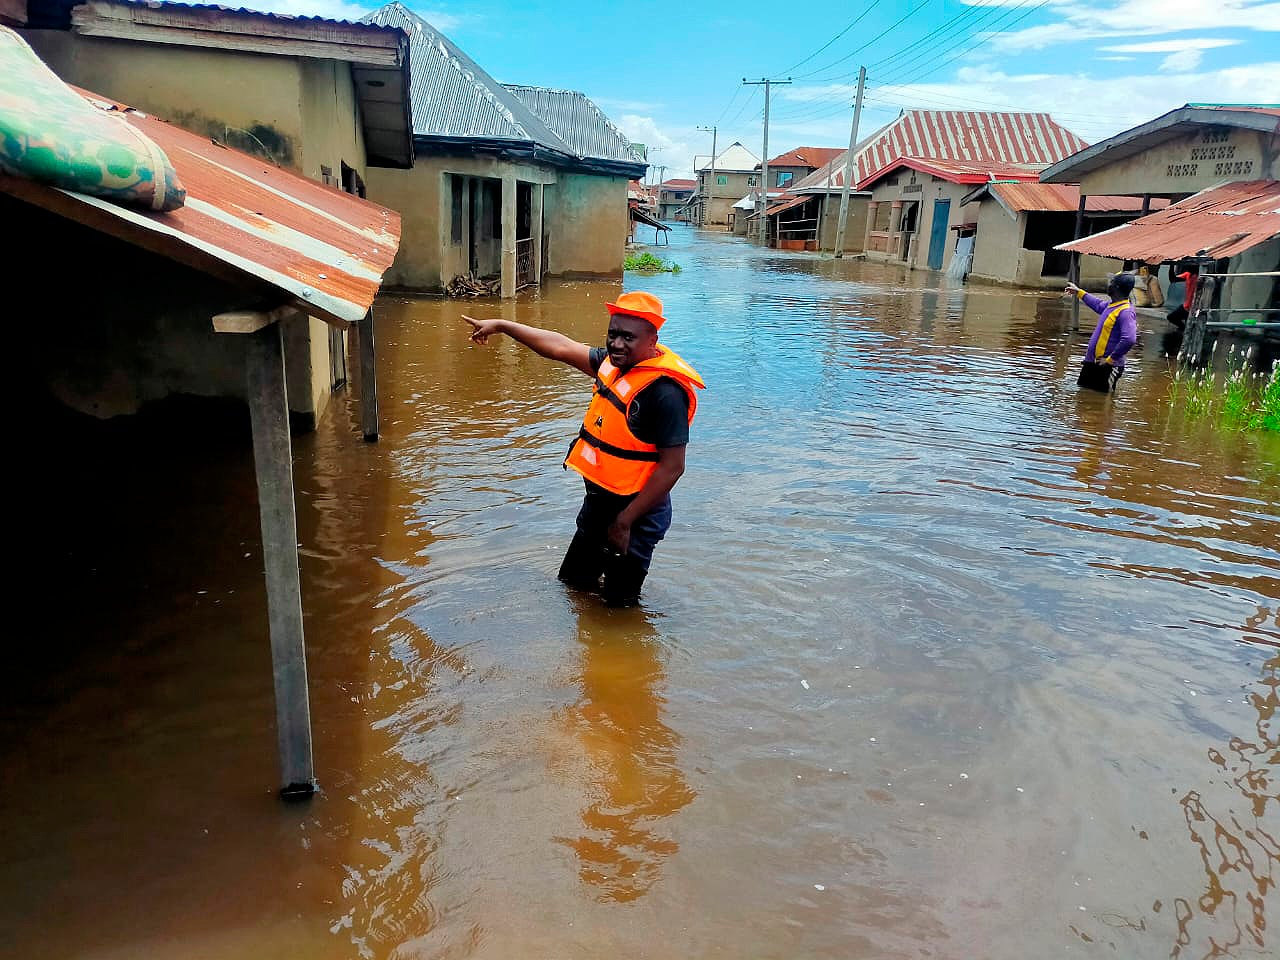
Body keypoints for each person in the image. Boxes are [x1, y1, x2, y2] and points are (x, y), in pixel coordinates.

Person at [462, 292, 705, 606]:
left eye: (628, 337)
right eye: (612, 334)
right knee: (572, 587)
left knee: (618, 610)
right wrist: (501, 325)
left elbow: (673, 467)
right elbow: (560, 346)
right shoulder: (612, 365)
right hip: (600, 503)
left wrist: (624, 522)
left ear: (652, 340)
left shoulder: (665, 393)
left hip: (637, 515)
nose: (617, 344)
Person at [1065, 274, 1138, 393]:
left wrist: (1110, 360)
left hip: (1107, 366)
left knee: (1104, 403)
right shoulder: (1112, 306)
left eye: (1111, 283)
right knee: (1082, 397)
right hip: (1092, 363)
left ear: (1117, 287)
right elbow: (1098, 304)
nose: (1108, 285)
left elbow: (1129, 339)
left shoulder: (1125, 312)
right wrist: (1079, 292)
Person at [1166, 262, 1198, 330]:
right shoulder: (1188, 274)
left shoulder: (1200, 277)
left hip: (1194, 308)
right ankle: (1182, 329)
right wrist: (1172, 266)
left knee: (1189, 329)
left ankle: (1184, 330)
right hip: (1185, 307)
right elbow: (1172, 279)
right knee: (1171, 317)